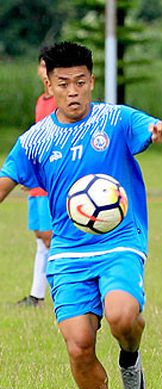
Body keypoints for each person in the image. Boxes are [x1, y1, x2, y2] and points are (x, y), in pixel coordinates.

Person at [0, 42, 162, 389]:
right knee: (79, 346)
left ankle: (130, 355)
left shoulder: (116, 120)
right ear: (48, 85)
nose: (73, 91)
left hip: (120, 242)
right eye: (64, 83)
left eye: (81, 82)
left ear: (92, 81)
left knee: (122, 316)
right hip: (68, 254)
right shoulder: (35, 140)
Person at [16, 51, 57, 307]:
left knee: (49, 236)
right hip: (37, 180)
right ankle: (37, 295)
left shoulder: (61, 104)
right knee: (41, 238)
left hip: (50, 181)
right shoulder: (41, 101)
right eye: (42, 65)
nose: (45, 71)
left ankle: (59, 293)